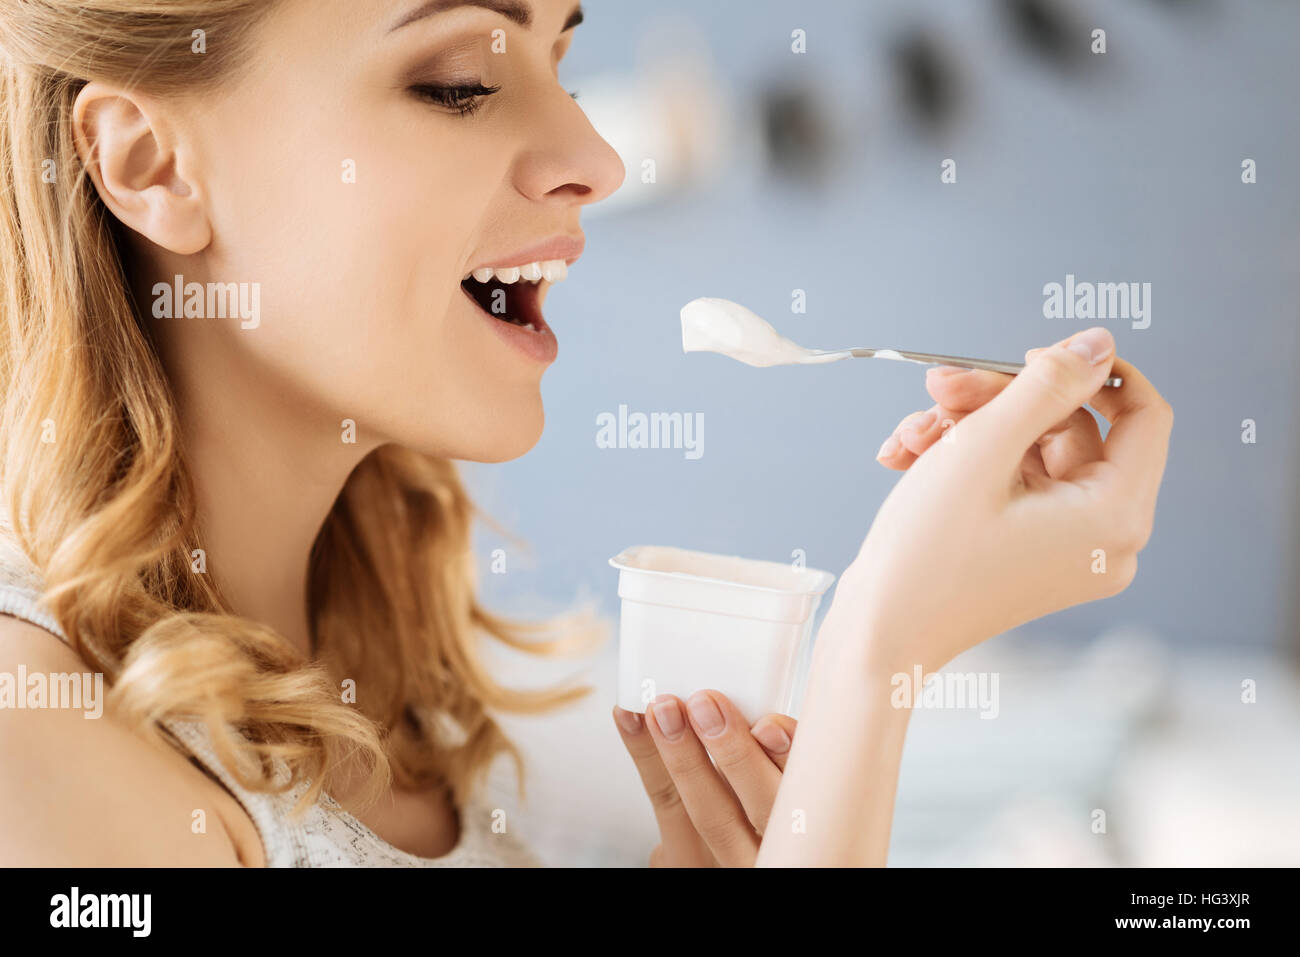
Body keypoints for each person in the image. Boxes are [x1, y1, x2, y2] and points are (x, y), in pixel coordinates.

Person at [0, 0, 1171, 867]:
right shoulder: (34, 748)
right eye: (459, 82)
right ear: (152, 166)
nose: (599, 161)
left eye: (560, 60)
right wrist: (878, 658)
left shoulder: (405, 672)